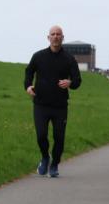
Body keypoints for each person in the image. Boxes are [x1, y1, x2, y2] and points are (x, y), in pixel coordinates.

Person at [24, 26, 82, 178]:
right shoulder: (38, 56)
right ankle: (45, 157)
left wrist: (70, 83)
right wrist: (28, 86)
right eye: (53, 34)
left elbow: (77, 80)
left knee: (59, 137)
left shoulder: (69, 59)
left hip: (60, 106)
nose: (55, 37)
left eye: (58, 34)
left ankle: (55, 164)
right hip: (41, 104)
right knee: (41, 135)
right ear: (48, 37)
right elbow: (29, 72)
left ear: (62, 38)